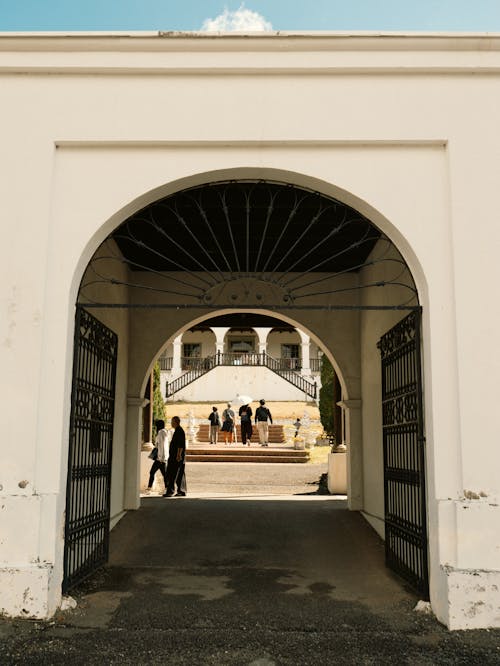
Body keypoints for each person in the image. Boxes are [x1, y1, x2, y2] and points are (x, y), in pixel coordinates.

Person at [163, 416, 187, 497]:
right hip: (177, 456)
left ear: (176, 422)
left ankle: (170, 491)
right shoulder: (178, 430)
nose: (171, 423)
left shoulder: (179, 431)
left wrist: (178, 455)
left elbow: (180, 445)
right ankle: (181, 490)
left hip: (176, 456)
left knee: (172, 473)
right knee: (180, 473)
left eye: (172, 422)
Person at [147, 419, 169, 493]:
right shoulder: (165, 432)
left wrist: (160, 457)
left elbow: (161, 446)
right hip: (163, 457)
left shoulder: (160, 432)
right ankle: (166, 488)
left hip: (160, 457)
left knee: (152, 472)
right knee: (164, 474)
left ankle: (149, 489)